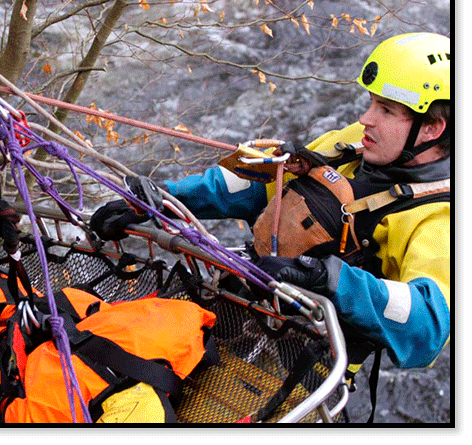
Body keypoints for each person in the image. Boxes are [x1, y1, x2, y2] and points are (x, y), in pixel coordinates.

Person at [91, 33, 450, 395]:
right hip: (233, 311)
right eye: (371, 103)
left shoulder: (439, 218)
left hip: (299, 373)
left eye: (386, 110)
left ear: (433, 129)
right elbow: (261, 187)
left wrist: (328, 277)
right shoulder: (358, 143)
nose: (365, 119)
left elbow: (428, 324)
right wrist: (164, 201)